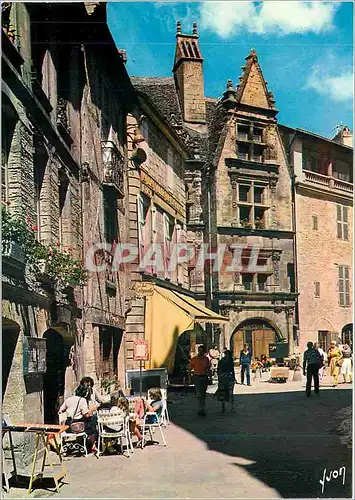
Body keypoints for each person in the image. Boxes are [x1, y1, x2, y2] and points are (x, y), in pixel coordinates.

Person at [59, 384, 99, 452]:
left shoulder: (68, 399)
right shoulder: (82, 400)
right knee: (93, 422)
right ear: (85, 394)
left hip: (69, 427)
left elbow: (60, 411)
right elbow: (86, 415)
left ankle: (82, 442)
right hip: (79, 427)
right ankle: (93, 445)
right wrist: (93, 409)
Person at [189, 345, 211, 416]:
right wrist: (189, 378)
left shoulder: (206, 359)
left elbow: (208, 369)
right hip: (197, 377)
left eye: (202, 351)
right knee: (198, 394)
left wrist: (210, 377)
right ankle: (200, 408)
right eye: (199, 350)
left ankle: (202, 408)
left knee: (203, 394)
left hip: (204, 377)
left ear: (204, 352)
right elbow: (189, 369)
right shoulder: (194, 359)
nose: (200, 352)